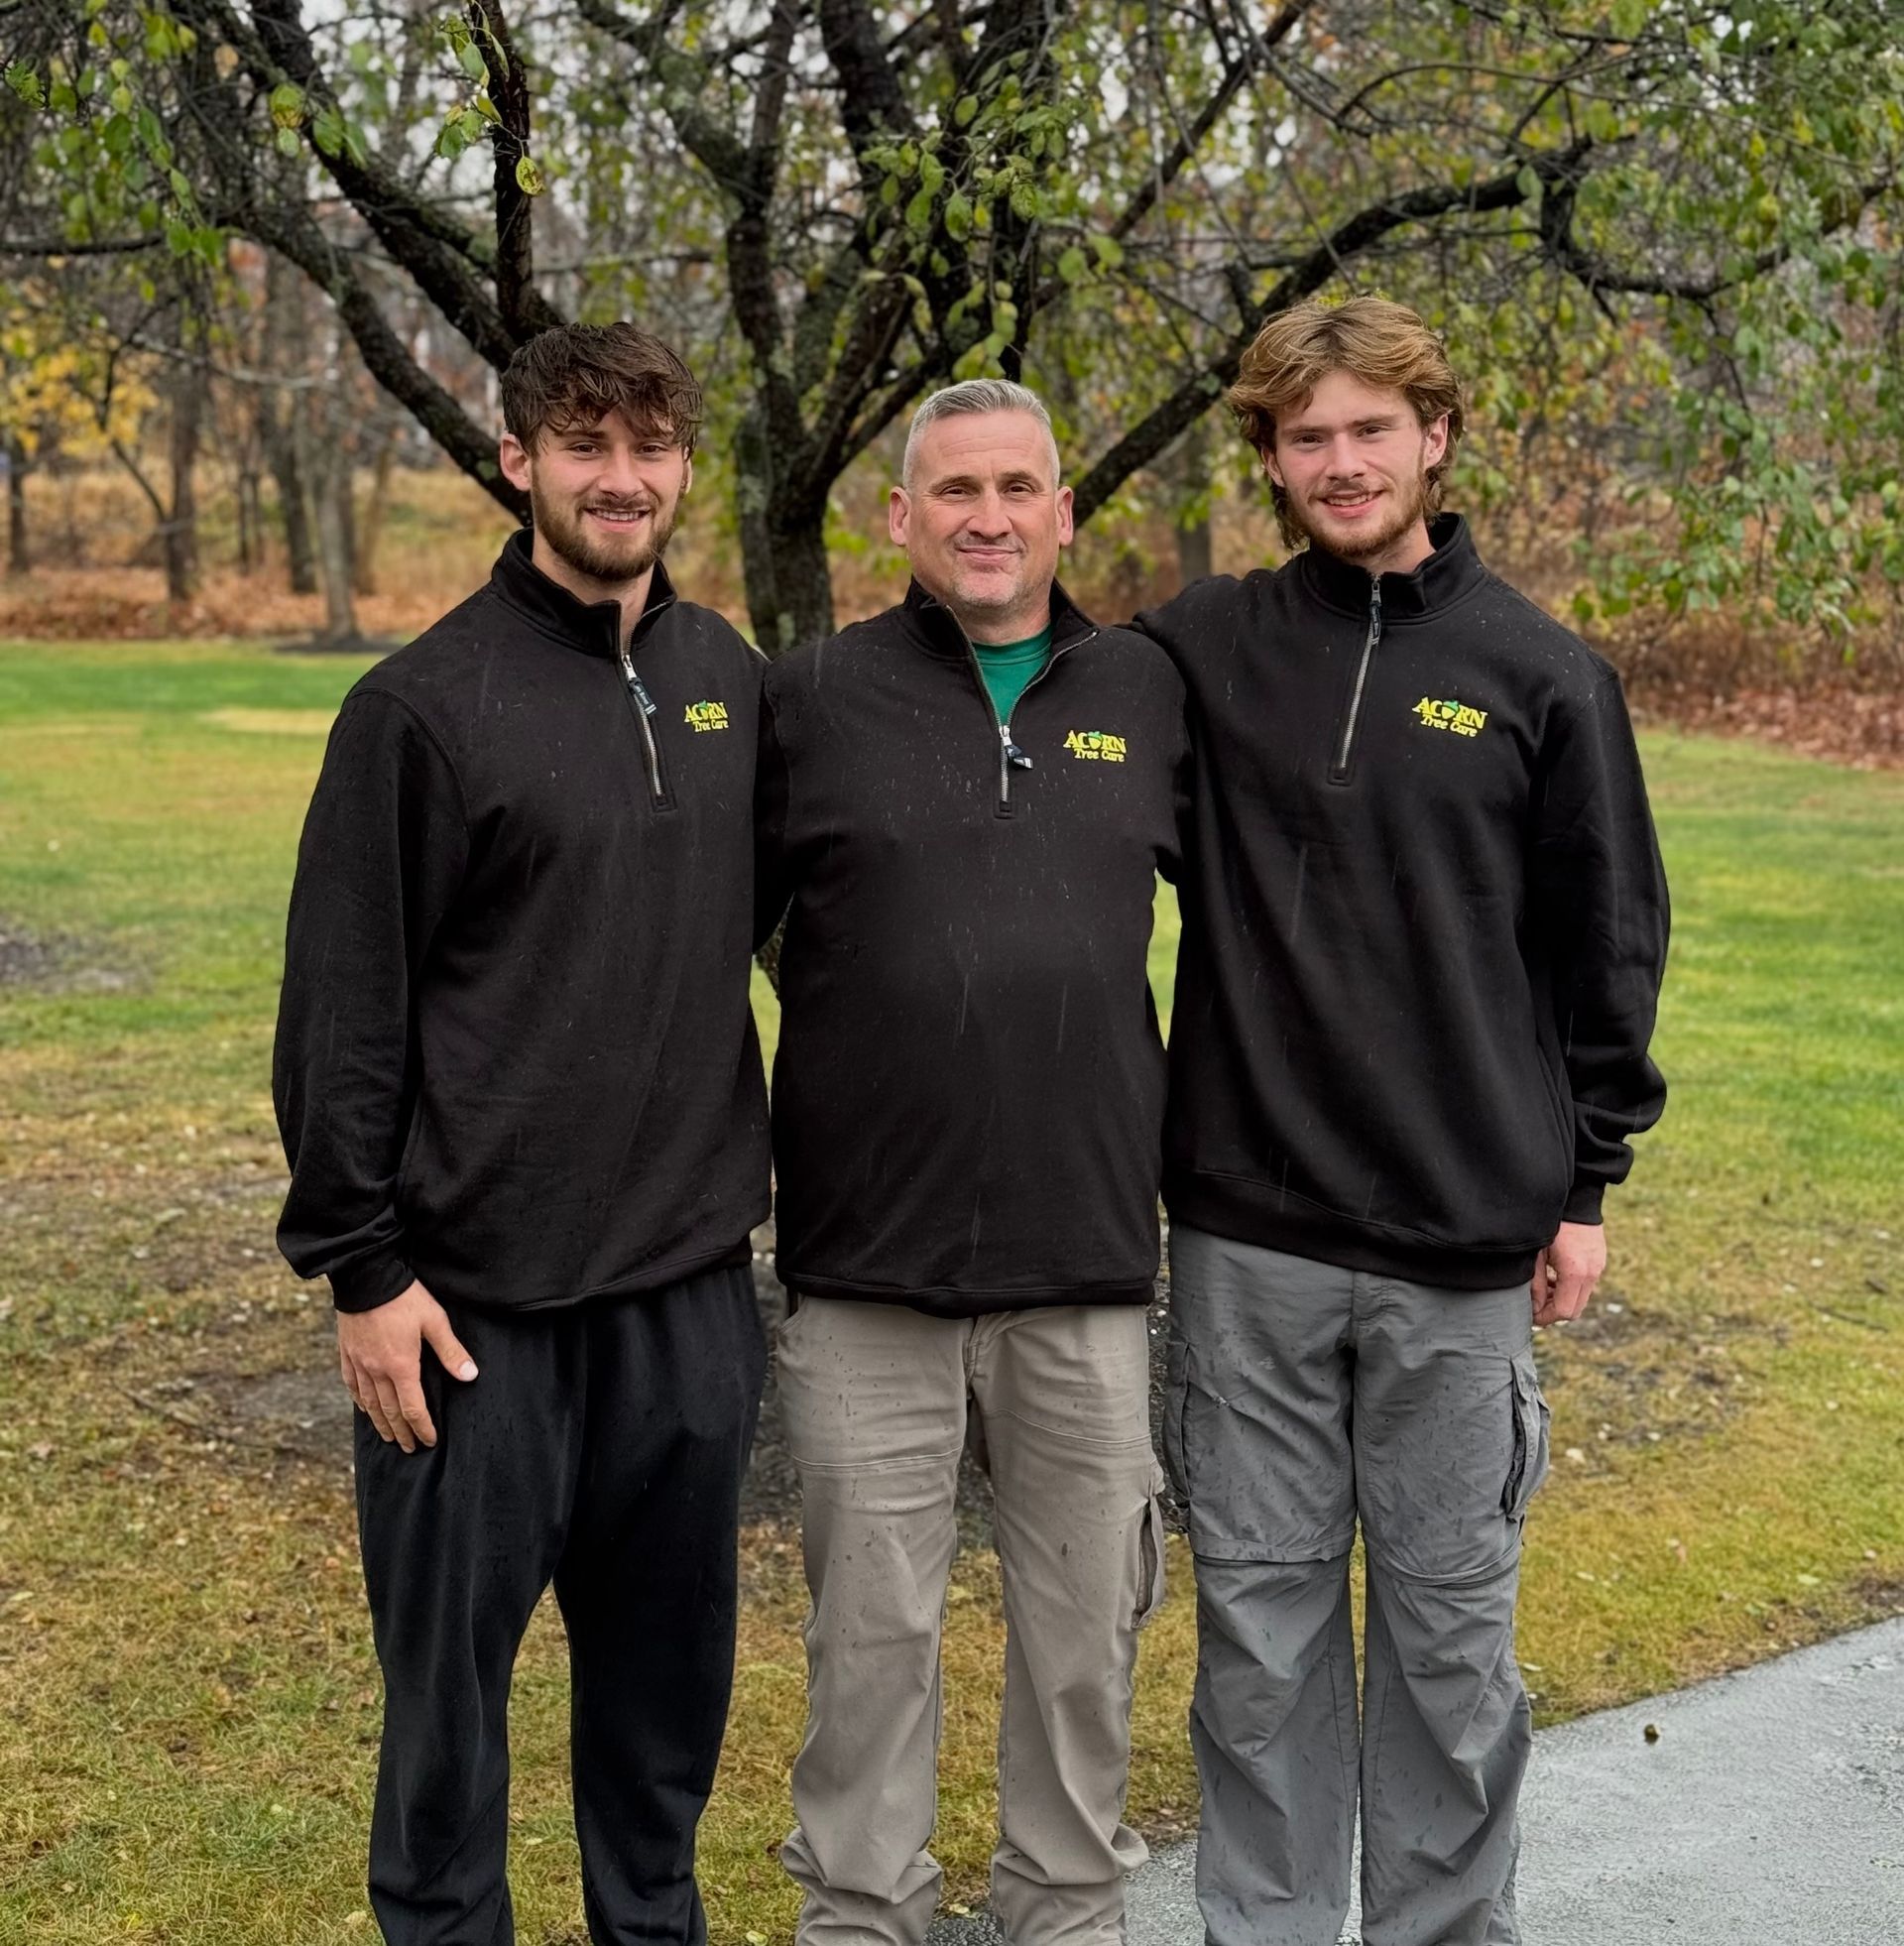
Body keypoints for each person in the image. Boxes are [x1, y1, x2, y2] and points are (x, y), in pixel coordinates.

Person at [1135, 297, 1669, 1946]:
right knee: (1263, 1639)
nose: (1343, 461)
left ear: (1435, 436)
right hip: (1248, 1243)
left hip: (1459, 1253)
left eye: (1373, 429)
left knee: (1450, 1650)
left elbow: (1611, 942)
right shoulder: (1204, 646)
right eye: (1309, 437)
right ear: (1273, 460)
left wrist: (1584, 1184)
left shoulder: (1542, 675)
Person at [273, 323, 771, 1946]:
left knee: (662, 1719)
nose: (619, 478)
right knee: (446, 1733)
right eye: (583, 446)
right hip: (470, 1321)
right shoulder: (419, 709)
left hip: (685, 1303)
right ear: (519, 463)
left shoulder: (729, 688)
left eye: (648, 447)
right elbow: (343, 1012)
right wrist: (362, 1272)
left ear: (685, 465)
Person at [755, 378, 1187, 1946]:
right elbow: (687, 948)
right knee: (871, 1640)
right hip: (867, 1269)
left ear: (1066, 511)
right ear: (902, 518)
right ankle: (863, 1914)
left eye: (1018, 486)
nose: (988, 517)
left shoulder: (1146, 689)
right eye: (954, 491)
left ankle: (1062, 1909)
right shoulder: (808, 702)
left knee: (1086, 1635)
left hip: (1082, 1263)